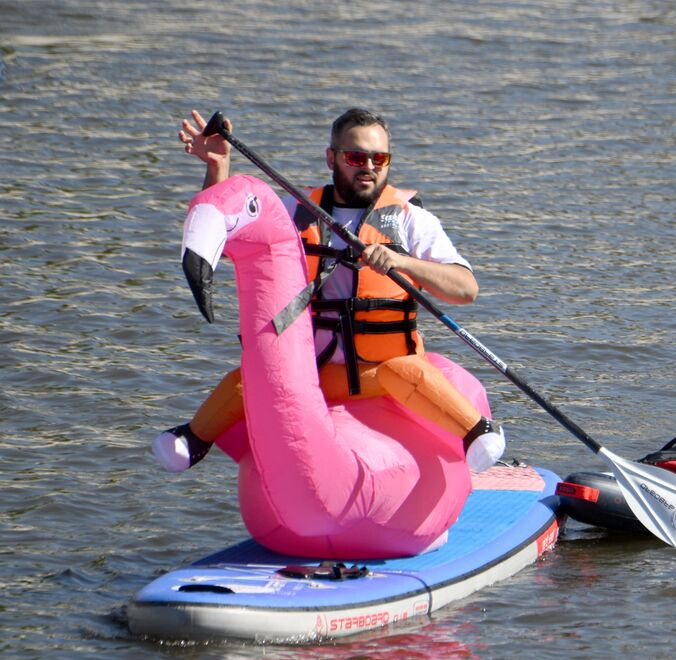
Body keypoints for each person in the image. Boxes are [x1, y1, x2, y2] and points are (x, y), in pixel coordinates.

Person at [153, 108, 505, 472]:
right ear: (331, 158)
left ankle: (477, 432)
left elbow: (466, 289)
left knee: (409, 374)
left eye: (379, 158)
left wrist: (402, 262)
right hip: (312, 372)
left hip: (383, 373)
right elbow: (227, 244)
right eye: (355, 157)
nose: (368, 166)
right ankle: (193, 439)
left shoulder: (410, 220)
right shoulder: (296, 211)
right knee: (251, 379)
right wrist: (217, 168)